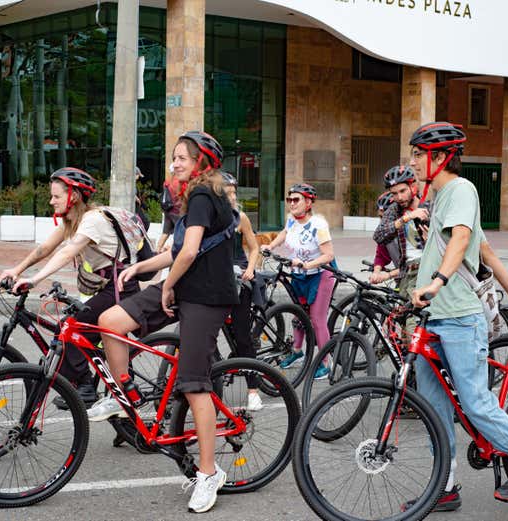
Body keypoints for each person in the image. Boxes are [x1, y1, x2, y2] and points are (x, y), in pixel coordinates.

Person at [93, 131, 237, 513]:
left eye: (182, 158)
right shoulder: (193, 197)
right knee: (110, 321)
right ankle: (126, 396)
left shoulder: (206, 194)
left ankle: (209, 473)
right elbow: (177, 250)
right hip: (182, 285)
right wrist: (141, 266)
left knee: (193, 384)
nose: (174, 164)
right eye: (174, 158)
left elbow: (188, 253)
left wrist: (167, 286)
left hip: (205, 298)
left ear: (202, 163)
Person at [407, 122, 508, 510]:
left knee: (474, 399)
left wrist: (436, 282)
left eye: (419, 154)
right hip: (434, 318)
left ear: (441, 157)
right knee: (434, 408)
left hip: (460, 316)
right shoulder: (440, 200)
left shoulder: (460, 190)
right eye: (414, 154)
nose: (413, 161)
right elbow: (486, 252)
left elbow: (464, 240)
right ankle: (445, 485)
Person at [0, 167, 141, 408]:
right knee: (76, 330)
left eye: (56, 196)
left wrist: (34, 280)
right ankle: (113, 394)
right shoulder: (72, 221)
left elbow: (67, 252)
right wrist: (17, 270)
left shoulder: (93, 220)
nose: (51, 200)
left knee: (70, 328)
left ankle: (85, 387)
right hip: (106, 287)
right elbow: (45, 249)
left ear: (73, 196)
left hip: (120, 289)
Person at [261, 183, 335, 380]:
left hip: (321, 274)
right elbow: (284, 233)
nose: (291, 203)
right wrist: (271, 245)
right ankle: (297, 351)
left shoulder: (318, 225)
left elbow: (329, 255)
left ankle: (326, 363)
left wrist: (307, 264)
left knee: (317, 319)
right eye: (289, 199)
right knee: (298, 315)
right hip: (299, 274)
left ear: (308, 202)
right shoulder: (292, 220)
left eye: (296, 200)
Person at [222, 171, 263, 410]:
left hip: (238, 278)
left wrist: (249, 268)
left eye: (234, 192)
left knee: (242, 335)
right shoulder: (209, 218)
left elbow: (255, 248)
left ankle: (253, 390)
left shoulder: (241, 218)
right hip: (216, 280)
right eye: (227, 193)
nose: (232, 197)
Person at [372, 165, 429, 298]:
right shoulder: (395, 209)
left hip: (426, 270)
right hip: (406, 272)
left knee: (413, 317)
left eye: (403, 191)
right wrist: (406, 218)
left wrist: (430, 238)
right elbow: (379, 235)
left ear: (413, 186)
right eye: (394, 193)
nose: (399, 197)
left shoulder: (428, 207)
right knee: (399, 315)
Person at [371, 191, 401, 284]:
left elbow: (413, 265)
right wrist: (376, 272)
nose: (383, 222)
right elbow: (381, 255)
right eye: (381, 217)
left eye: (386, 217)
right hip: (401, 278)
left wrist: (388, 275)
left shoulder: (408, 230)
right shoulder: (384, 233)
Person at [156, 163, 183, 252]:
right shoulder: (178, 182)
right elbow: (180, 197)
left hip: (168, 210)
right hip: (177, 211)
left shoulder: (167, 182)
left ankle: (157, 249)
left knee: (165, 232)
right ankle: (170, 249)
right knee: (180, 233)